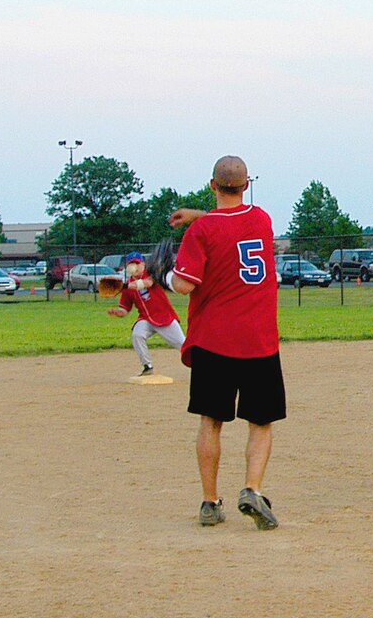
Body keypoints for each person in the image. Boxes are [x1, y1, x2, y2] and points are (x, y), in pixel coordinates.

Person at [166, 155, 285, 530]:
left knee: (211, 422)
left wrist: (164, 273)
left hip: (213, 342)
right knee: (260, 424)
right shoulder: (262, 220)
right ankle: (251, 488)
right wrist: (200, 214)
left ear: (212, 184)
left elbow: (184, 284)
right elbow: (232, 222)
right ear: (246, 185)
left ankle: (209, 502)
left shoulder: (199, 234)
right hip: (259, 342)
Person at [107, 251, 185, 376]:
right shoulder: (127, 287)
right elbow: (125, 309)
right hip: (146, 319)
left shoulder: (151, 274)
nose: (134, 266)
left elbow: (147, 283)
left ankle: (202, 365)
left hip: (164, 317)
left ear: (143, 264)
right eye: (131, 264)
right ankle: (147, 366)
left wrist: (124, 286)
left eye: (137, 263)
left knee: (183, 345)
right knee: (137, 335)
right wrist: (117, 312)